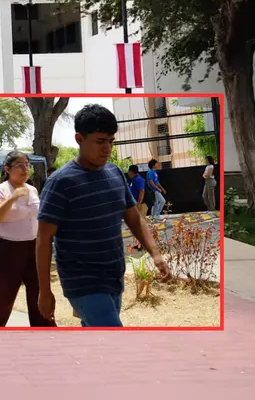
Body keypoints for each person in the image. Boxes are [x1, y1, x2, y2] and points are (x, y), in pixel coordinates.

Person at [36, 104, 170, 328]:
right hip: (82, 281)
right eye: (100, 141)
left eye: (111, 141)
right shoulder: (61, 182)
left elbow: (134, 218)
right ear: (79, 138)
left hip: (114, 275)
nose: (107, 148)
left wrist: (155, 254)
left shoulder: (115, 173)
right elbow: (43, 239)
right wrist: (45, 290)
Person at [0, 151, 55, 327]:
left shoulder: (32, 189)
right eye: (20, 165)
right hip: (8, 250)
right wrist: (12, 198)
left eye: (27, 165)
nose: (25, 169)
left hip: (33, 248)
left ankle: (45, 333)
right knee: (3, 296)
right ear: (7, 169)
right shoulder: (0, 190)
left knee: (38, 291)